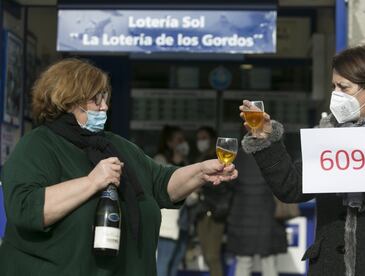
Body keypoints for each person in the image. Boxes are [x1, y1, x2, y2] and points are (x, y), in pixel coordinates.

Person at [0, 58, 237, 276]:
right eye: (95, 99)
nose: (104, 107)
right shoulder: (38, 145)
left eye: (106, 98)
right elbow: (25, 208)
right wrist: (92, 182)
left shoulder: (115, 145)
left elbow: (162, 184)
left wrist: (200, 172)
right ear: (67, 100)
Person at [239, 44, 365, 276]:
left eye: (344, 87)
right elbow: (291, 189)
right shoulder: (326, 135)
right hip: (329, 266)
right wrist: (265, 139)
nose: (336, 95)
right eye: (333, 87)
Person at [226, 136, 287, 276]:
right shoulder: (272, 156)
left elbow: (228, 185)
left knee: (243, 262)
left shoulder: (237, 157)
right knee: (269, 261)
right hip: (267, 216)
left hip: (242, 217)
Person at [193, 126, 232, 276]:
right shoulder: (197, 158)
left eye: (204, 138)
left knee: (212, 255)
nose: (200, 142)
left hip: (217, 211)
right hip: (202, 211)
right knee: (207, 255)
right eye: (198, 138)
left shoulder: (219, 160)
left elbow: (224, 185)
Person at [154, 125, 191, 276]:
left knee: (175, 264)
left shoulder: (185, 163)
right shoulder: (159, 160)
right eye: (179, 140)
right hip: (166, 225)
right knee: (163, 263)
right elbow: (165, 185)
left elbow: (192, 193)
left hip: (182, 222)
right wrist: (177, 162)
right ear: (169, 143)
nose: (183, 143)